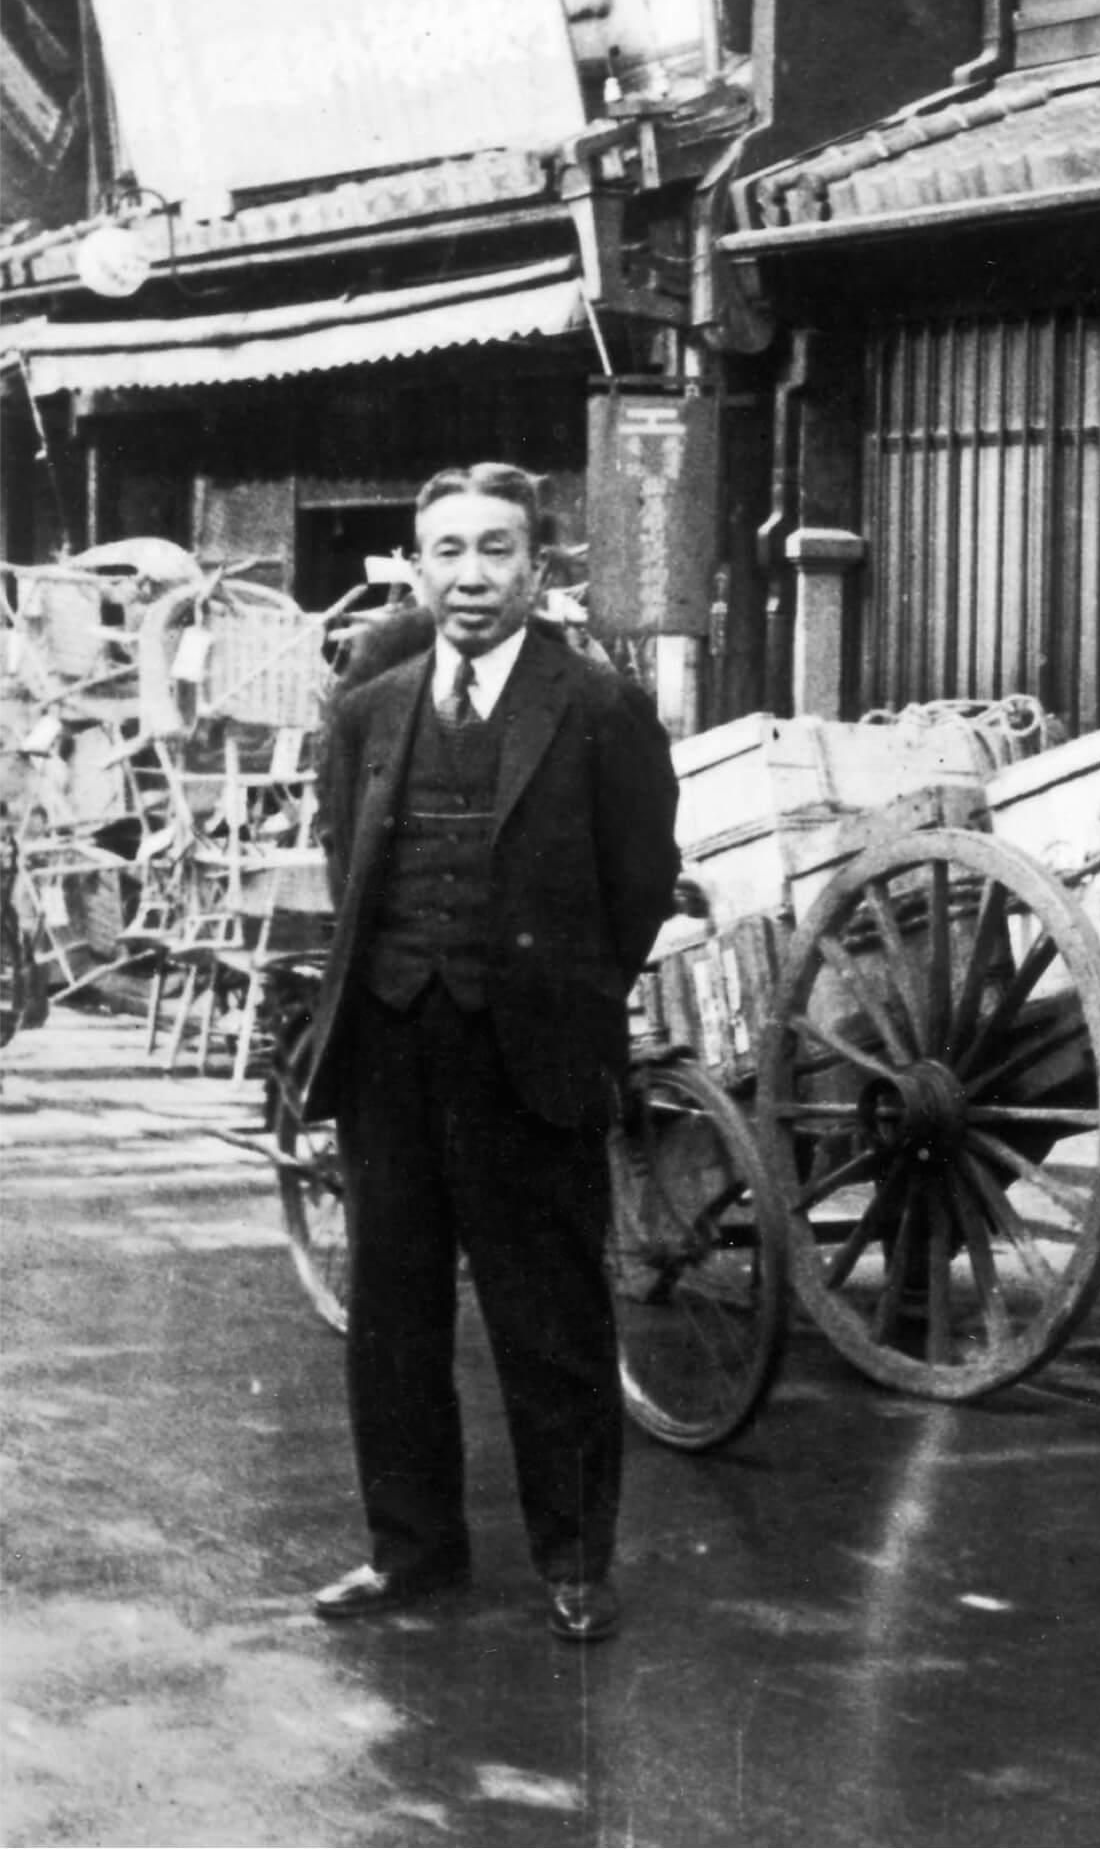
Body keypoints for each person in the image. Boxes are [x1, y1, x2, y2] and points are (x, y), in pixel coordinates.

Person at [305, 463, 680, 1642]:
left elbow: (640, 884)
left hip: (529, 1055)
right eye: (449, 550)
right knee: (394, 1313)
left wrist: (567, 1001)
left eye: (498, 549)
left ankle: (574, 1561)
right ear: (418, 565)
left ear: (539, 566)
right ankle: (410, 1550)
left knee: (549, 1315)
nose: (471, 575)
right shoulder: (372, 707)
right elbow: (346, 866)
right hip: (391, 1051)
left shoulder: (600, 706)